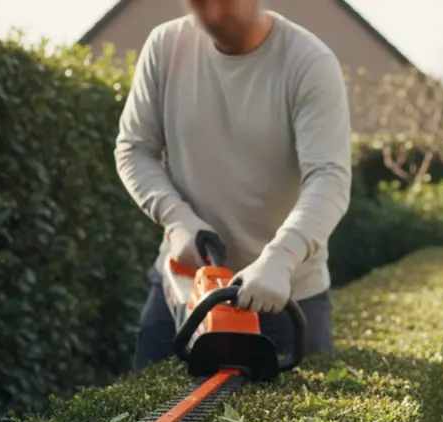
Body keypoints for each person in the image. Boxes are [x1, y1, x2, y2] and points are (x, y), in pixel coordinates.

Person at [115, 0, 352, 369]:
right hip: (186, 285)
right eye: (199, 3)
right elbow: (134, 149)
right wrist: (176, 217)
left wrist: (281, 258)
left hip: (284, 295)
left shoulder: (308, 62)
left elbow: (329, 179)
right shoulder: (164, 47)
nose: (212, 14)